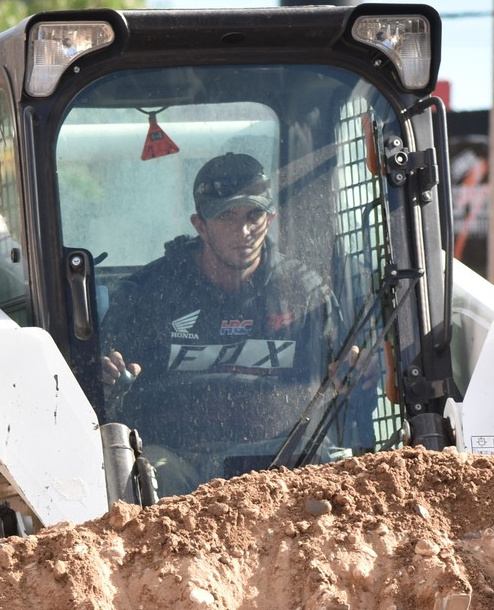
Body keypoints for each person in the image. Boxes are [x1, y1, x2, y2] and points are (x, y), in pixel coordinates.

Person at [99, 152, 335, 488]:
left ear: (270, 218)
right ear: (200, 225)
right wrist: (111, 380)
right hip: (175, 458)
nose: (244, 230)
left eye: (254, 215)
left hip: (279, 461)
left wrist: (355, 374)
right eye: (227, 216)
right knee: (151, 476)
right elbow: (103, 395)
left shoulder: (304, 294)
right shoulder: (148, 296)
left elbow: (341, 386)